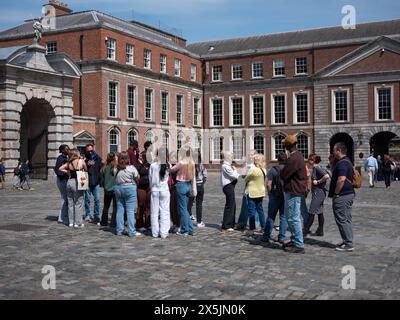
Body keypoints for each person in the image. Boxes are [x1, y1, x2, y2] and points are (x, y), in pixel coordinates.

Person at [280, 135, 307, 254]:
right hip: (294, 190)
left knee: (293, 218)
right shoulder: (298, 155)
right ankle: (294, 239)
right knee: (290, 217)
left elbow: (284, 174)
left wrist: (284, 166)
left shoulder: (293, 158)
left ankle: (299, 244)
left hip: (293, 190)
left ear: (288, 145)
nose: (283, 146)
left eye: (284, 144)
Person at [328, 142, 355, 252]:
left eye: (334, 150)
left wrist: (336, 193)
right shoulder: (346, 161)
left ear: (339, 150)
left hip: (342, 195)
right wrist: (331, 163)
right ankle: (347, 240)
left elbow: (341, 179)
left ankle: (348, 243)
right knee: (346, 218)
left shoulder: (343, 163)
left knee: (342, 219)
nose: (333, 152)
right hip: (348, 194)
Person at [170, 146, 197, 236]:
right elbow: (193, 178)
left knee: (182, 209)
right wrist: (194, 189)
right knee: (185, 209)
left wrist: (170, 165)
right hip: (188, 185)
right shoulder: (192, 162)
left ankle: (185, 230)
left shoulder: (181, 163)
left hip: (181, 185)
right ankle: (191, 229)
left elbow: (172, 170)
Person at [261, 152, 288, 244]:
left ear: (278, 160)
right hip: (285, 195)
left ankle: (266, 236)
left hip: (275, 195)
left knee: (271, 216)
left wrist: (270, 193)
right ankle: (281, 237)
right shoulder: (288, 169)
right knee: (283, 217)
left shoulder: (273, 170)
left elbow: (269, 184)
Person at [114, 152, 141, 238]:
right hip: (129, 187)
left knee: (120, 209)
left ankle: (119, 230)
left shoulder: (116, 168)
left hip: (118, 188)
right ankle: (131, 231)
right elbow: (137, 178)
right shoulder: (131, 168)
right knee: (130, 211)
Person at [59, 149, 87, 228]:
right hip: (78, 182)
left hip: (69, 182)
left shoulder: (69, 163)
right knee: (78, 203)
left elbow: (60, 168)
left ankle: (71, 222)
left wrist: (67, 172)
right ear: (77, 154)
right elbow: (86, 169)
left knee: (70, 203)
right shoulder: (80, 161)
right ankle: (77, 222)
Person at [304, 155, 330, 237]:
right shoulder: (317, 168)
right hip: (319, 192)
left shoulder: (317, 168)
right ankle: (320, 230)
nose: (309, 161)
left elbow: (326, 176)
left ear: (313, 161)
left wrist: (318, 182)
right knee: (319, 212)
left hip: (318, 193)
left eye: (310, 160)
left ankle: (305, 230)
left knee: (311, 211)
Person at [149, 147, 171, 239]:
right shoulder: (168, 165)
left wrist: (151, 188)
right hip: (164, 190)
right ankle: (163, 232)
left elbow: (150, 179)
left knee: (154, 212)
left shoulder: (153, 165)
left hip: (155, 190)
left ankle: (155, 232)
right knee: (164, 211)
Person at [245, 154, 266, 236]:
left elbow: (246, 178)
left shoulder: (252, 170)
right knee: (260, 210)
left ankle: (252, 228)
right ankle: (263, 227)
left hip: (252, 192)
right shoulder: (264, 170)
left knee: (252, 211)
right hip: (260, 192)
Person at [235, 150, 257, 231]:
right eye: (249, 155)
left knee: (256, 207)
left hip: (256, 187)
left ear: (255, 155)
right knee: (245, 206)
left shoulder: (258, 164)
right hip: (248, 187)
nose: (250, 156)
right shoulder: (247, 164)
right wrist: (245, 169)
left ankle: (257, 224)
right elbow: (243, 176)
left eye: (252, 155)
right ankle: (241, 223)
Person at [220, 151, 240, 232]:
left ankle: (231, 223)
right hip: (228, 186)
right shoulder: (226, 166)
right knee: (230, 205)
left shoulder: (227, 166)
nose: (232, 158)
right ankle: (226, 225)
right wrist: (235, 170)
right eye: (232, 157)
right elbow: (235, 176)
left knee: (233, 205)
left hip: (230, 186)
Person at [84, 143, 102, 224]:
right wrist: (86, 165)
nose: (90, 153)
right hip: (87, 182)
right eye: (89, 151)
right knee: (87, 199)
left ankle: (96, 215)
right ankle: (87, 214)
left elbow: (101, 169)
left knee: (97, 199)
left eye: (91, 151)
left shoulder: (98, 158)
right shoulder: (84, 159)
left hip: (96, 182)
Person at [188, 151, 207, 228]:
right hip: (200, 185)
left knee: (190, 202)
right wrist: (202, 183)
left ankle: (188, 217)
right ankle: (199, 222)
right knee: (199, 204)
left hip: (192, 185)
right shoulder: (202, 165)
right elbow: (205, 176)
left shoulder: (190, 165)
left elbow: (189, 176)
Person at [99, 152, 118, 227]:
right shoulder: (115, 167)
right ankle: (113, 222)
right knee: (115, 207)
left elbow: (101, 178)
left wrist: (104, 185)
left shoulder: (104, 167)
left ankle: (104, 221)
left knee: (106, 206)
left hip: (107, 189)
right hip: (115, 189)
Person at [136, 151, 151, 232]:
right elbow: (136, 176)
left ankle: (148, 223)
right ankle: (139, 224)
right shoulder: (139, 166)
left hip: (149, 187)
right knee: (141, 205)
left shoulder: (151, 166)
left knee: (148, 206)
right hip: (141, 188)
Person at [54, 145, 70, 224]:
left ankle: (64, 215)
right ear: (62, 150)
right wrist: (64, 174)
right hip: (62, 180)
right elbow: (57, 169)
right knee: (64, 198)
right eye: (67, 149)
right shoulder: (61, 158)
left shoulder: (66, 158)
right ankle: (61, 217)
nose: (68, 150)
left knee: (66, 198)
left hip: (64, 180)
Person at [168, 151, 180, 234]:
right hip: (171, 188)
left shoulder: (178, 167)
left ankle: (179, 224)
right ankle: (175, 223)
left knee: (176, 207)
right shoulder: (171, 166)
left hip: (176, 187)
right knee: (172, 207)